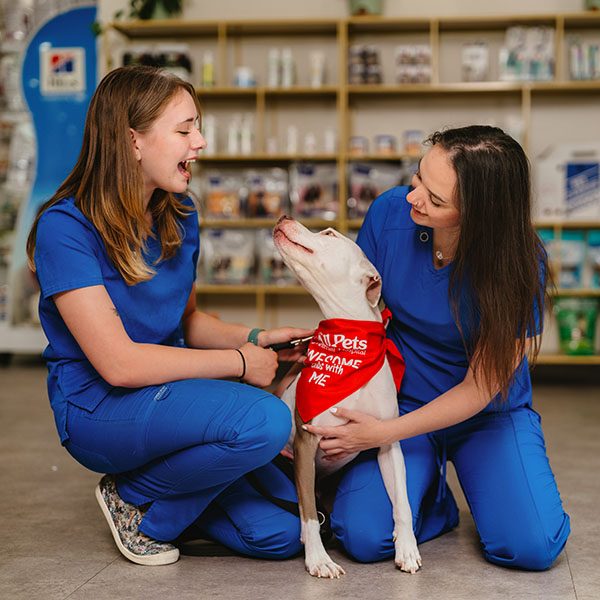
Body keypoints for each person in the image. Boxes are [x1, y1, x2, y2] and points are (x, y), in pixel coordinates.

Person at [26, 65, 311, 566]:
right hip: (100, 407)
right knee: (263, 421)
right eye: (184, 130)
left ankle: (171, 490)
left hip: (170, 398)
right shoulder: (64, 228)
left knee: (281, 536)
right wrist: (241, 365)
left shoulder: (180, 211)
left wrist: (258, 337)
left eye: (196, 127)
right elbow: (120, 365)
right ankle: (134, 501)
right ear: (132, 141)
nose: (199, 142)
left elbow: (189, 323)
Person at [304, 125, 571, 571]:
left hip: (488, 413)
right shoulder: (391, 213)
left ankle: (451, 479)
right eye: (419, 178)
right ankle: (438, 502)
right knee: (365, 537)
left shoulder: (520, 265)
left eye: (436, 199)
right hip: (403, 398)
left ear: (479, 216)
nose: (414, 198)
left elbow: (481, 386)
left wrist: (382, 435)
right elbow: (357, 313)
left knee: (533, 547)